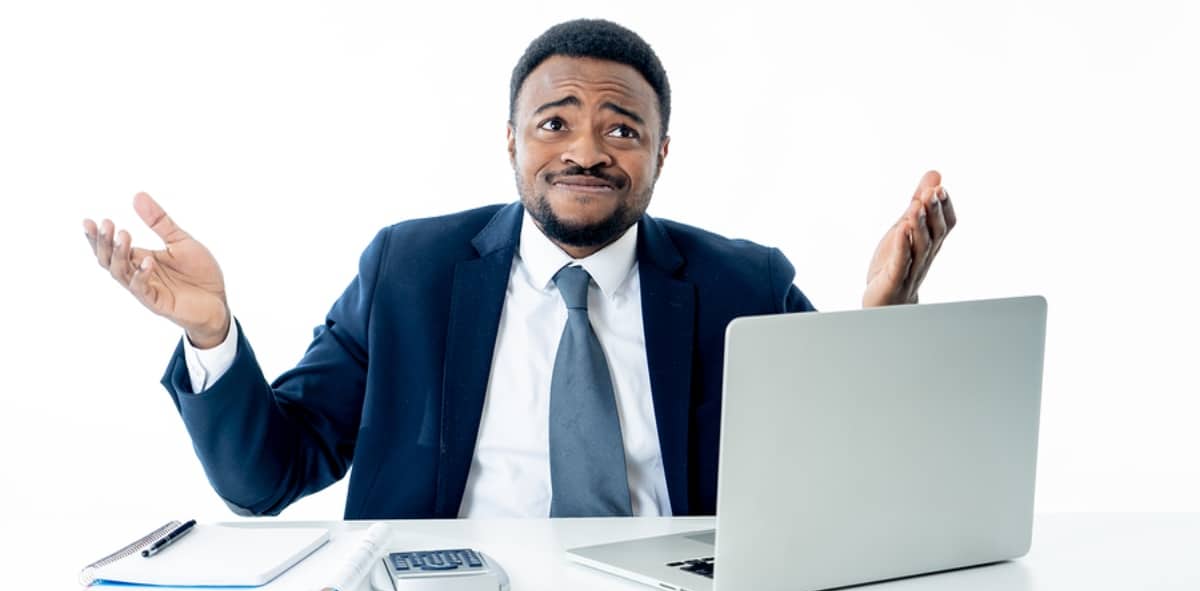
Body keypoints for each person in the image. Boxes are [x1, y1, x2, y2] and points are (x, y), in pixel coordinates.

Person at [82, 19, 955, 519]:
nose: (586, 150)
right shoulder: (408, 272)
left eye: (621, 128)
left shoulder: (743, 284)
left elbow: (849, 480)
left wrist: (886, 312)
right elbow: (266, 478)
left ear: (659, 154)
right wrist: (210, 335)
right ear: (510, 141)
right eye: (554, 123)